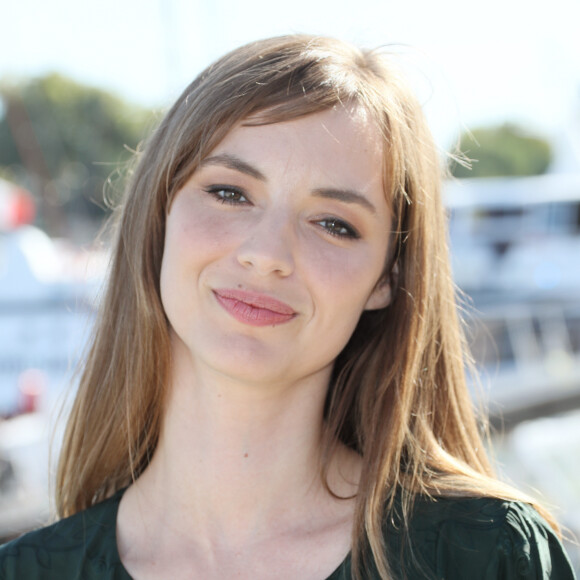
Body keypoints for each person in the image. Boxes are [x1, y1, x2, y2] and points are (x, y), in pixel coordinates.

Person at [0, 35, 576, 580]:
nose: (266, 254)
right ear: (160, 217)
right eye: (230, 193)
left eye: (334, 224)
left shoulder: (482, 554)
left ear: (386, 280)